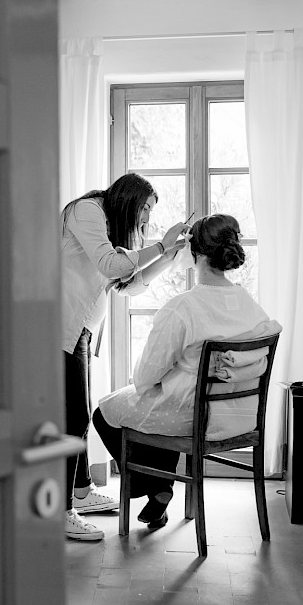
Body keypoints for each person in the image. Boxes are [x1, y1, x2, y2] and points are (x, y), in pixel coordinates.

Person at [91, 213, 282, 530]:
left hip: (194, 418)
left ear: (194, 253)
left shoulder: (183, 308)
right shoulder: (252, 307)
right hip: (239, 417)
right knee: (165, 400)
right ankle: (159, 490)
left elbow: (144, 379)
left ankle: (157, 487)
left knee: (106, 410)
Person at [61, 173, 191, 541]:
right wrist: (162, 248)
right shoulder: (86, 211)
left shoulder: (108, 226)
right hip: (58, 326)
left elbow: (127, 284)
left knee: (77, 416)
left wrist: (171, 255)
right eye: (145, 208)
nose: (146, 218)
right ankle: (63, 511)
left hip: (79, 329)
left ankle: (81, 493)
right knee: (73, 417)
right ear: (130, 198)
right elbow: (114, 267)